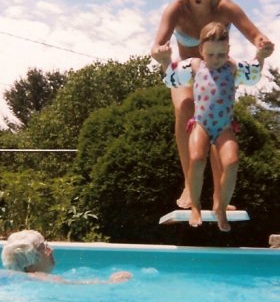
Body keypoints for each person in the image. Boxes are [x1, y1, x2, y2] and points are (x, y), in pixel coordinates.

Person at [151, 0, 274, 210]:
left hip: (217, 69)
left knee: (217, 122)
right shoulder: (176, 9)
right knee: (185, 105)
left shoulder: (226, 7)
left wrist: (263, 44)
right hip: (188, 70)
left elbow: (255, 35)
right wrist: (160, 53)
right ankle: (188, 184)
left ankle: (220, 195)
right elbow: (158, 44)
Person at [163, 21, 268, 232]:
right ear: (201, 50)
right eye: (210, 55)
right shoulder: (194, 65)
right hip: (201, 124)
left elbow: (253, 75)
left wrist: (262, 57)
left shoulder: (233, 67)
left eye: (221, 54)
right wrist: (165, 60)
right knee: (196, 159)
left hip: (224, 127)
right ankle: (195, 206)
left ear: (228, 50)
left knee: (232, 162)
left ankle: (220, 207)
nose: (216, 60)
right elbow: (171, 80)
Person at [1, 229, 132, 284]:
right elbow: (74, 285)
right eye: (44, 247)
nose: (51, 249)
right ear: (30, 264)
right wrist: (111, 282)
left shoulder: (15, 277)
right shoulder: (38, 276)